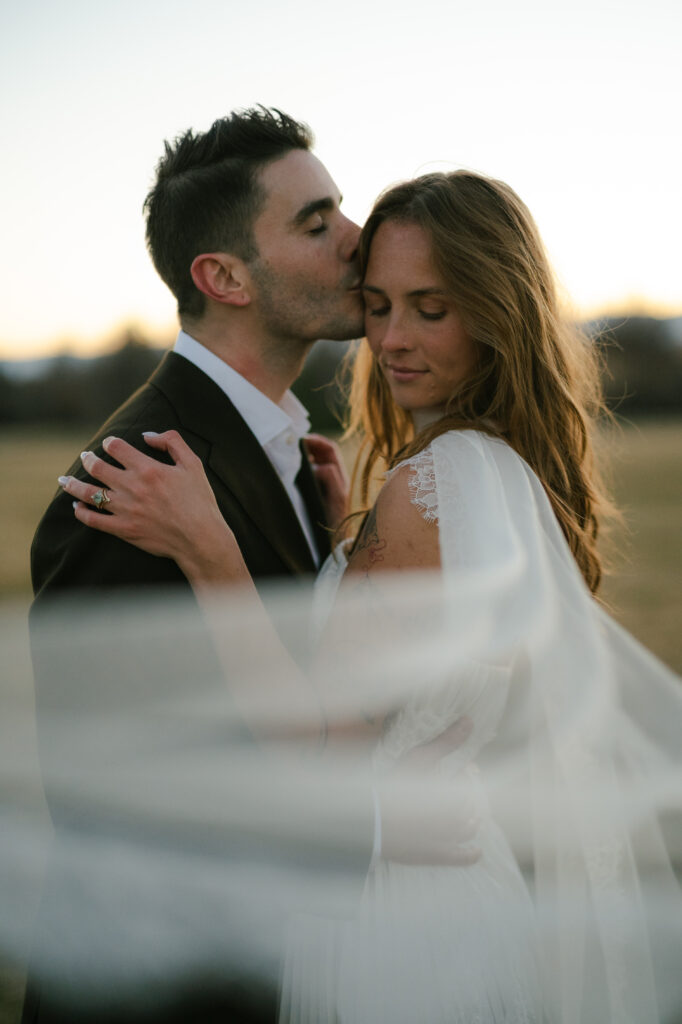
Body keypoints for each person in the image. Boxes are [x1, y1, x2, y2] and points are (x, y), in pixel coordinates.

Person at [64, 169, 682, 1022]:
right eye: (380, 304)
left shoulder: (425, 491)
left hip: (398, 913)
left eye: (432, 308)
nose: (392, 338)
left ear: (499, 314)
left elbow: (324, 748)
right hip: (466, 886)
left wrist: (213, 555)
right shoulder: (497, 471)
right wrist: (340, 551)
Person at [23, 110, 479, 1024]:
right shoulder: (135, 483)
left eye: (339, 210)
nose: (359, 240)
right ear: (224, 277)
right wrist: (384, 830)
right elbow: (123, 809)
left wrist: (326, 544)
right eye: (316, 223)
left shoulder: (283, 456)